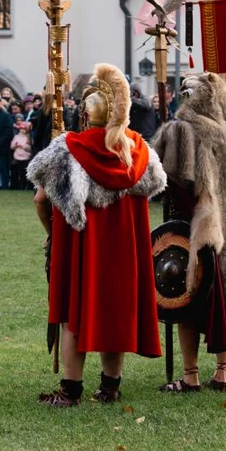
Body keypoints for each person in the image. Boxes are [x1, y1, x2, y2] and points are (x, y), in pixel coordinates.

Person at [27, 63, 166, 407]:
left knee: (76, 307)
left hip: (82, 244)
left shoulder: (69, 147)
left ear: (87, 115)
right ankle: (110, 386)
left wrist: (52, 232)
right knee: (115, 309)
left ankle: (71, 389)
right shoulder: (139, 150)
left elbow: (40, 199)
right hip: (124, 248)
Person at [153, 72, 226, 393]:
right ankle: (222, 372)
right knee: (223, 304)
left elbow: (171, 180)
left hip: (195, 229)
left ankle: (191, 375)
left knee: (184, 301)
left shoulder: (182, 130)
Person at [10, 118, 32, 190]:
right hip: (17, 157)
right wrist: (15, 145)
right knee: (18, 173)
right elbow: (12, 146)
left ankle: (26, 185)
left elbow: (30, 148)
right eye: (21, 129)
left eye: (24, 129)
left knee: (24, 173)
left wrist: (23, 146)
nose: (22, 130)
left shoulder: (28, 138)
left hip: (26, 157)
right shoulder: (16, 137)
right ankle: (18, 185)